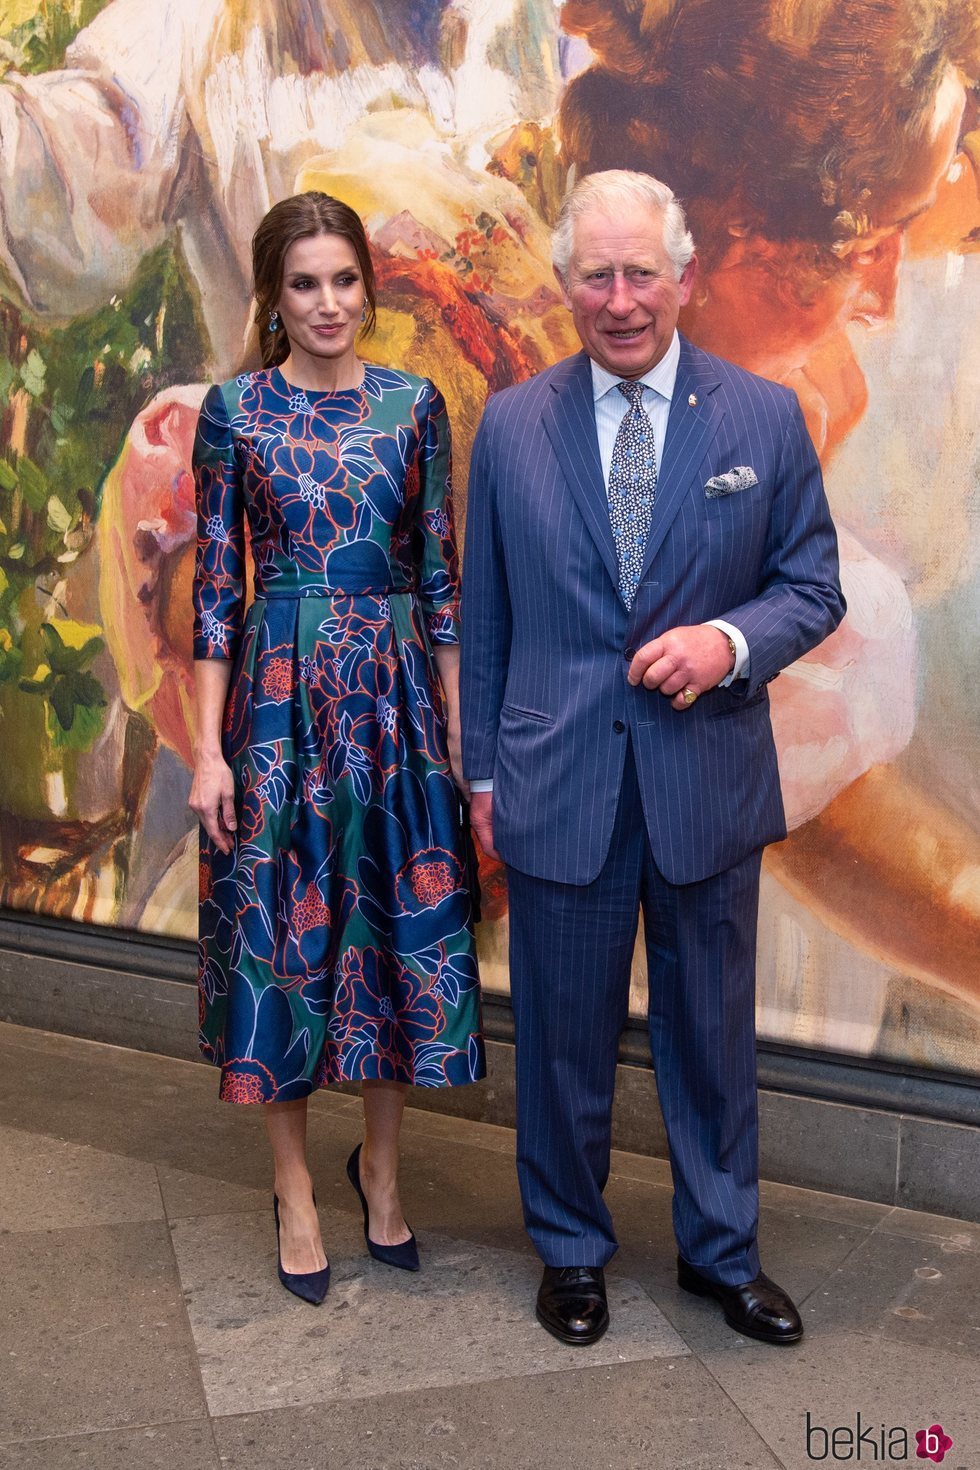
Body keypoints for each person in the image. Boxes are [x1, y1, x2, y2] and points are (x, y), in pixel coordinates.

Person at [460, 169, 845, 1346]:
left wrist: (727, 640)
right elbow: (486, 620)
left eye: (640, 273)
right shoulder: (512, 424)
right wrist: (481, 775)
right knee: (562, 1040)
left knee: (710, 1041)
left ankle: (719, 1256)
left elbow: (811, 588)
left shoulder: (761, 418)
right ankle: (569, 1252)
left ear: (683, 277)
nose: (619, 299)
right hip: (555, 779)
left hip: (704, 785)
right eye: (596, 275)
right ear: (565, 283)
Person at [189, 191, 484, 1305]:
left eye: (344, 279)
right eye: (303, 283)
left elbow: (441, 581)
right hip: (274, 704)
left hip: (396, 704)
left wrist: (455, 727)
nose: (327, 303)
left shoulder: (415, 406)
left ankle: (385, 1174)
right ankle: (295, 1189)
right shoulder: (237, 413)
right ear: (273, 294)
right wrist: (214, 753)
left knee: (388, 927)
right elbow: (218, 588)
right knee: (283, 942)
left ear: (370, 285)